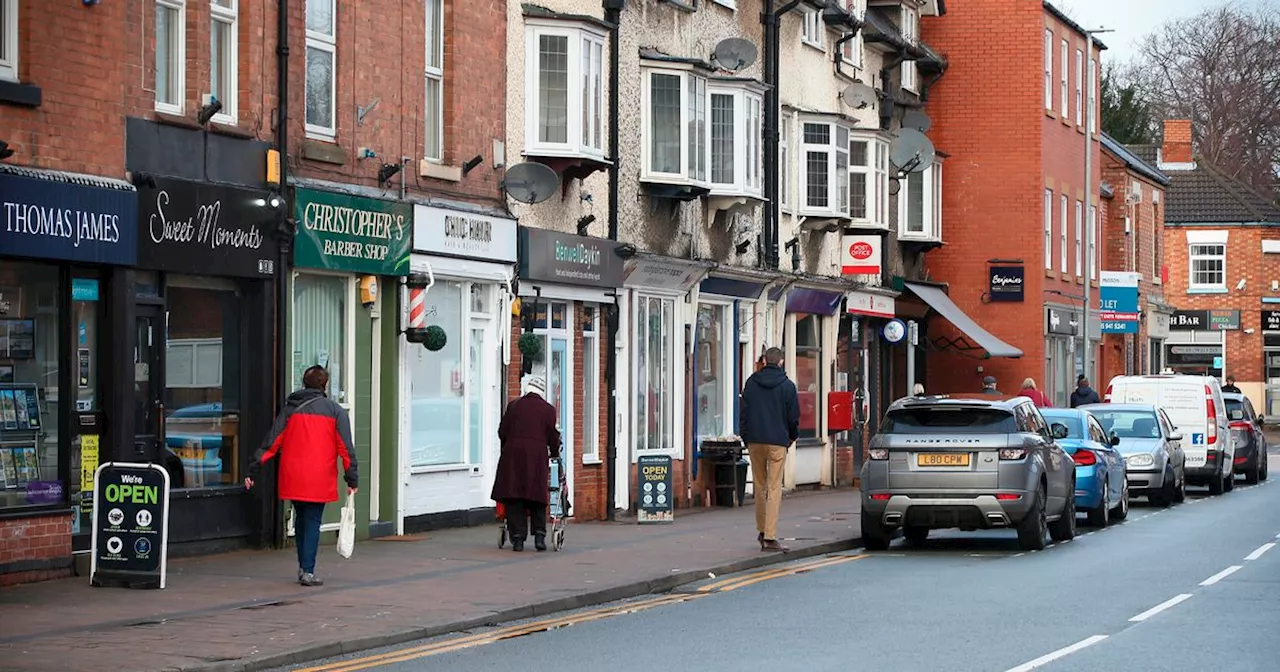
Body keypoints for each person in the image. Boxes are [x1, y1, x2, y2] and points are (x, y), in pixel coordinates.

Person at [245, 365, 358, 587]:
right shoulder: (335, 411)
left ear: (304, 383)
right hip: (319, 476)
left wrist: (253, 468)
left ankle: (303, 566)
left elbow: (271, 443)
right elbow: (346, 449)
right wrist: (352, 478)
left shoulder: (290, 410)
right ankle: (308, 570)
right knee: (313, 521)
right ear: (324, 385)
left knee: (301, 519)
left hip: (293, 475)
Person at [739, 347, 800, 553]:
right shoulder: (788, 386)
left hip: (755, 440)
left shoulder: (751, 383)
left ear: (765, 360)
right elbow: (793, 418)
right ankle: (770, 536)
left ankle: (762, 530)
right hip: (777, 441)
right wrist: (792, 436)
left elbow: (744, 413)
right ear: (781, 361)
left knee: (760, 486)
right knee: (774, 488)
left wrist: (746, 437)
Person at [492, 375, 561, 552]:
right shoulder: (548, 410)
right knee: (537, 497)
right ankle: (539, 537)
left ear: (526, 389)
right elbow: (553, 437)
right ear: (542, 392)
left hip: (513, 457)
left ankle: (517, 539)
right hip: (536, 458)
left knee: (515, 497)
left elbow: (502, 432)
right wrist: (554, 454)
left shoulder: (513, 406)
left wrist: (510, 444)